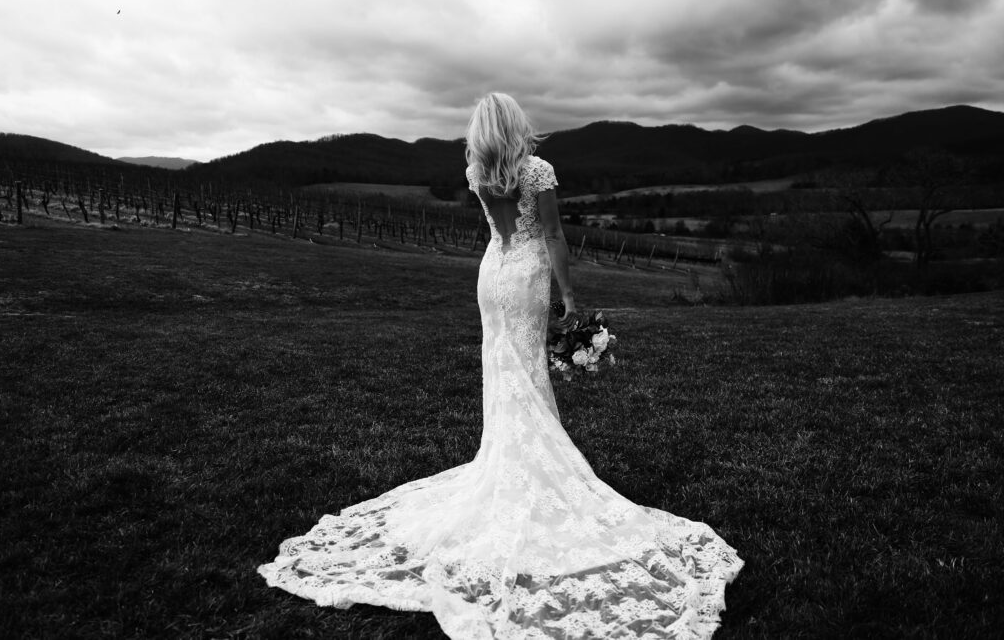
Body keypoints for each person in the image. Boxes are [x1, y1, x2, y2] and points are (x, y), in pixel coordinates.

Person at [258, 92, 743, 638]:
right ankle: (535, 471)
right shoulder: (536, 170)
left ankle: (509, 456)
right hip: (528, 276)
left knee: (506, 372)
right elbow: (554, 235)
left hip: (493, 274)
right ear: (516, 124)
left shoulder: (475, 171)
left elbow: (499, 230)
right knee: (524, 372)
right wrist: (570, 295)